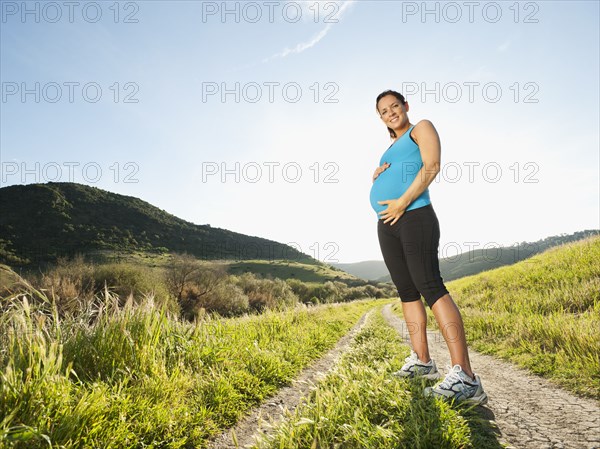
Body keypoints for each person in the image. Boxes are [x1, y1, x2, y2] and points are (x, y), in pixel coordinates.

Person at [370, 89, 488, 405]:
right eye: (384, 111)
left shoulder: (420, 128)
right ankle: (422, 361)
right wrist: (377, 176)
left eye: (395, 106)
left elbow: (432, 165)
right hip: (388, 223)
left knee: (430, 285)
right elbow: (390, 177)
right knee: (407, 292)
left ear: (405, 106)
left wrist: (401, 203)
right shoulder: (388, 150)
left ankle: (466, 377)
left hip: (414, 214)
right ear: (380, 118)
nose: (391, 112)